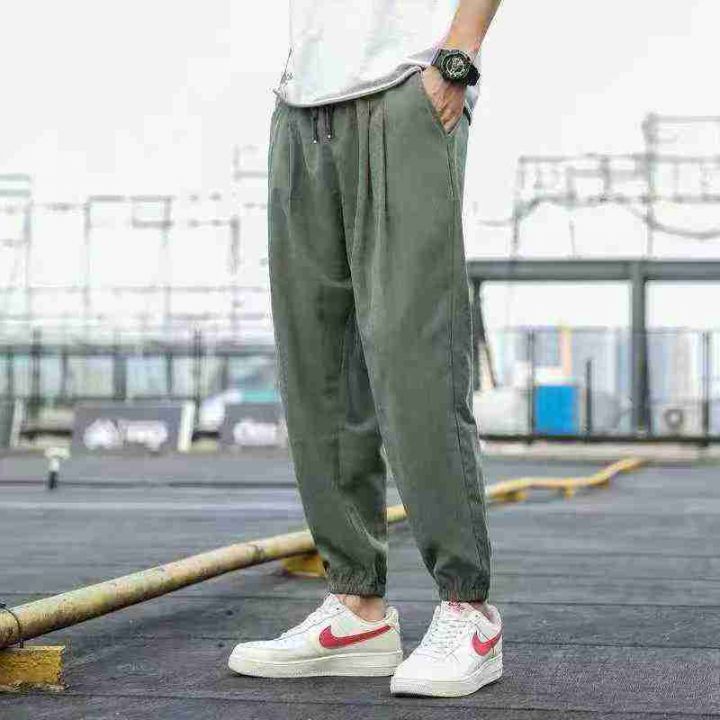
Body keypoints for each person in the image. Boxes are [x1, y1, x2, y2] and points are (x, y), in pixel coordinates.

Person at [229, 0, 504, 698]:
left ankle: (467, 609)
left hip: (407, 89)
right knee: (316, 369)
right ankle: (357, 607)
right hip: (302, 106)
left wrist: (457, 59)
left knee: (416, 361)